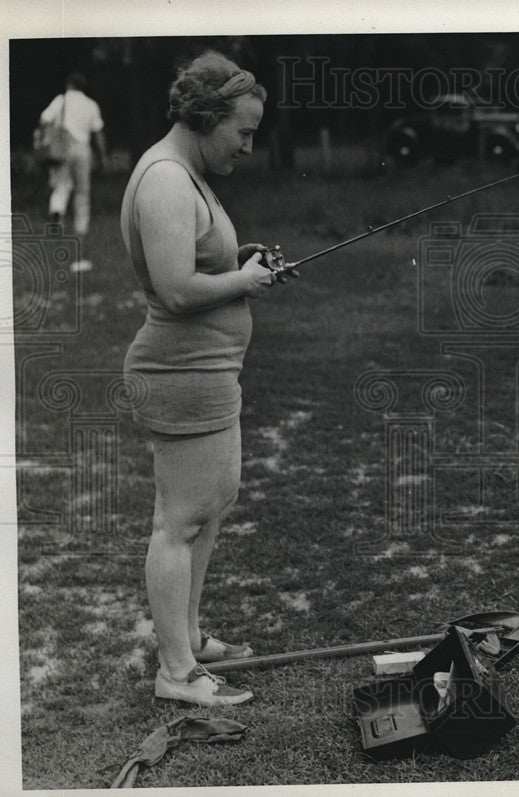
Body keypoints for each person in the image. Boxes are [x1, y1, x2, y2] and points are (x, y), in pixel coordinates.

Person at [122, 51, 295, 706]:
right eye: (243, 132)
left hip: (208, 371)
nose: (248, 146)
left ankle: (187, 637)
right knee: (181, 520)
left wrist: (241, 261)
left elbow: (200, 260)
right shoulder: (166, 179)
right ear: (206, 116)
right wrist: (244, 281)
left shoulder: (187, 174)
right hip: (179, 370)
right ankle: (175, 671)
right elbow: (175, 288)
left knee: (208, 508)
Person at [38, 72, 108, 272]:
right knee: (82, 192)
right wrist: (102, 156)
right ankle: (81, 228)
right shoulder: (91, 104)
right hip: (83, 149)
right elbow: (98, 131)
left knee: (62, 185)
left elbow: (44, 119)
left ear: (68, 84)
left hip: (63, 147)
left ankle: (57, 210)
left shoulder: (61, 100)